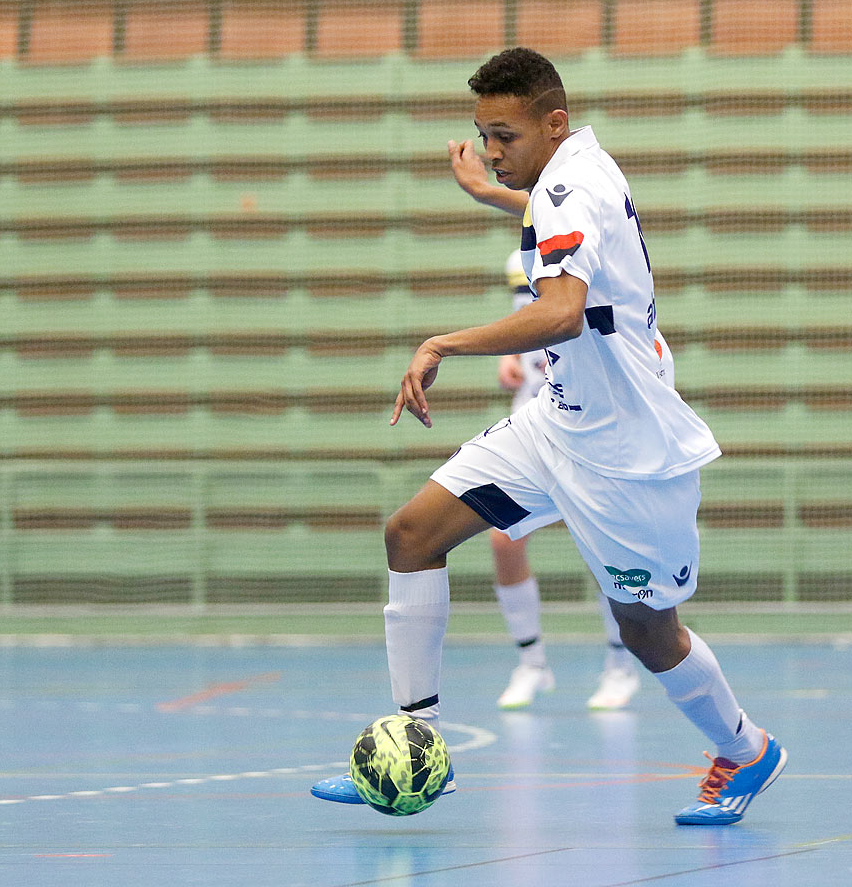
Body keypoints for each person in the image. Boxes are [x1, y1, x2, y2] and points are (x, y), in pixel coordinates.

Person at [313, 47, 786, 825]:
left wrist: (442, 344)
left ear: (553, 123)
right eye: (482, 136)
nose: (493, 152)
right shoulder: (586, 172)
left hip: (632, 457)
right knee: (412, 534)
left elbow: (561, 311)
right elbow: (563, 225)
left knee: (648, 633)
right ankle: (418, 741)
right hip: (555, 427)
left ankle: (746, 749)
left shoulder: (564, 187)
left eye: (504, 136)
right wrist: (496, 195)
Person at [449, 145, 641, 712]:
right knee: (503, 538)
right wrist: (503, 361)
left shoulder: (580, 212)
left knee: (608, 548)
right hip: (537, 407)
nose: (494, 153)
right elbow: (523, 322)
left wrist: (486, 192)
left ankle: (619, 665)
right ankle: (532, 662)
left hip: (595, 417)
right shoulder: (524, 255)